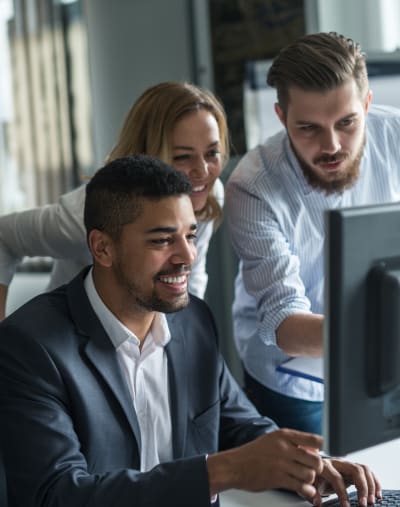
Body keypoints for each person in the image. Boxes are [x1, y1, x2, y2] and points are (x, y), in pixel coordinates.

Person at [0, 155, 381, 507]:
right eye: (163, 240)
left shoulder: (192, 320)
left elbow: (240, 426)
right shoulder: (30, 346)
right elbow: (57, 495)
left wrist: (313, 464)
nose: (187, 256)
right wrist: (221, 471)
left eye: (191, 235)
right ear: (102, 248)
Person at [225, 31, 400, 434]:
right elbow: (287, 324)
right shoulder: (252, 186)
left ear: (367, 105)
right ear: (282, 117)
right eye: (309, 128)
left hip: (385, 355)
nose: (332, 145)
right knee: (310, 493)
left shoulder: (394, 139)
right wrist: (389, 330)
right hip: (293, 378)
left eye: (347, 123)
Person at [0, 81, 228, 319]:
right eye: (183, 157)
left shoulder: (207, 194)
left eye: (212, 153)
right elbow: (3, 236)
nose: (202, 172)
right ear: (147, 153)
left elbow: (191, 277)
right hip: (67, 341)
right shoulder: (90, 213)